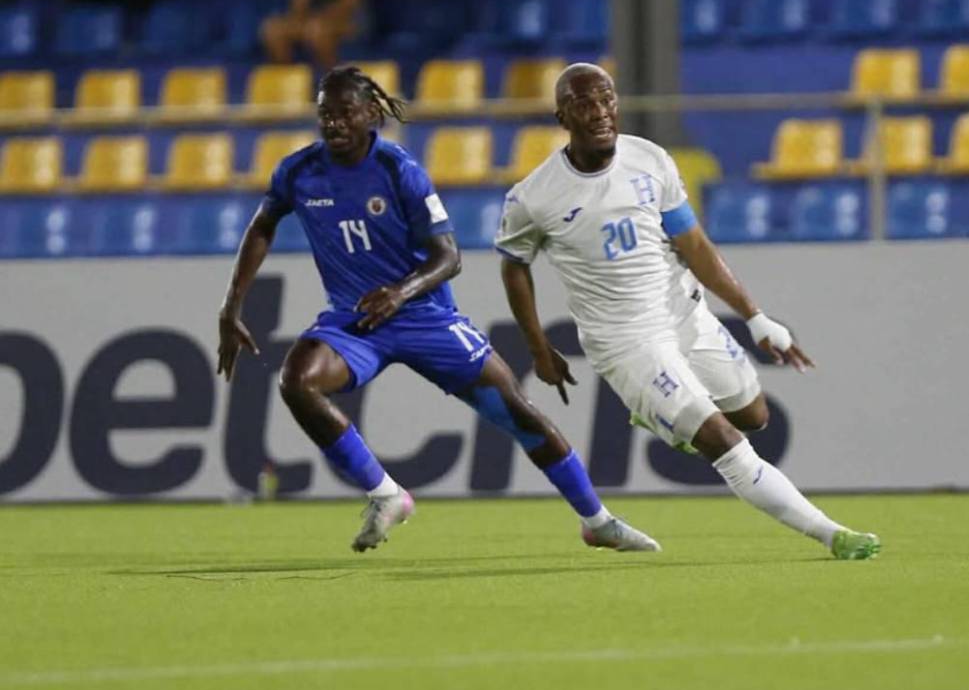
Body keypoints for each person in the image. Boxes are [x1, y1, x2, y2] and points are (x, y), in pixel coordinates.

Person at [216, 66, 660, 555]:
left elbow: (449, 257)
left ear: (372, 114)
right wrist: (231, 306)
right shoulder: (298, 171)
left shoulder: (398, 170)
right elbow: (263, 226)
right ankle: (386, 494)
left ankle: (597, 520)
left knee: (517, 412)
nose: (334, 123)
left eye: (345, 113)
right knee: (297, 381)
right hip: (356, 321)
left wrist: (399, 292)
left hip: (425, 316)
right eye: (325, 114)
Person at [494, 63, 881, 561]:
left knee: (753, 414)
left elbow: (694, 244)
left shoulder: (650, 159)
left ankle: (659, 415)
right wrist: (537, 348)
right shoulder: (534, 197)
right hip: (627, 342)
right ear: (562, 117)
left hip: (684, 313)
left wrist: (756, 317)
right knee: (723, 438)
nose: (600, 112)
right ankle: (832, 534)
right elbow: (514, 267)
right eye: (585, 104)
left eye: (607, 100)